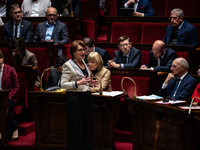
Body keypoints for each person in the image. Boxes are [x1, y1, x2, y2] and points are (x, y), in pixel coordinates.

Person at [61, 40, 97, 150]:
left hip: (85, 98)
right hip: (74, 100)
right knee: (77, 129)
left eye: (84, 50)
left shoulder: (84, 63)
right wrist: (78, 83)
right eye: (79, 50)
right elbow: (62, 84)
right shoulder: (68, 65)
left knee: (87, 127)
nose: (83, 52)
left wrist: (90, 83)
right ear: (73, 52)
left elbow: (84, 80)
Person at [0, 50, 20, 141]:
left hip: (9, 98)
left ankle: (11, 129)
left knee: (3, 104)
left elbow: (16, 87)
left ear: (2, 59)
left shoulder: (10, 70)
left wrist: (8, 97)